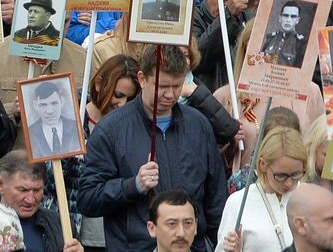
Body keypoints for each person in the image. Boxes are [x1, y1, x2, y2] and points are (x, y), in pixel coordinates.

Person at [79, 46, 227, 252]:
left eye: (177, 86)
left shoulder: (198, 125)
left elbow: (216, 197)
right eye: (162, 85)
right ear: (142, 78)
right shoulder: (111, 129)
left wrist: (220, 242)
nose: (170, 94)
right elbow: (87, 198)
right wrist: (133, 185)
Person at [26, 79, 80, 157]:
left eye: (54, 103)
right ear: (35, 105)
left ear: (62, 101)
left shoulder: (75, 126)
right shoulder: (30, 132)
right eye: (43, 105)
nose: (49, 111)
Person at [261, 0, 309, 67]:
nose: (288, 20)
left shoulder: (301, 43)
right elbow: (256, 62)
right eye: (285, 15)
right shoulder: (270, 38)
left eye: (293, 16)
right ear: (280, 18)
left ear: (297, 20)